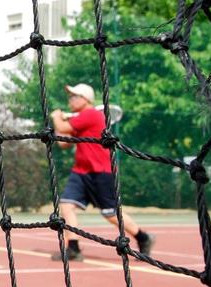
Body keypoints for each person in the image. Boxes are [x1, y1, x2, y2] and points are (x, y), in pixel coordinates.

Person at [50, 83, 154, 261]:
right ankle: (73, 248)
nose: (71, 100)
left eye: (75, 96)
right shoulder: (80, 119)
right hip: (81, 172)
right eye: (70, 96)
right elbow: (64, 143)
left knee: (110, 214)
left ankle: (143, 238)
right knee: (66, 206)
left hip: (101, 172)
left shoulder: (91, 114)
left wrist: (56, 117)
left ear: (86, 99)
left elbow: (64, 128)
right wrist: (61, 123)